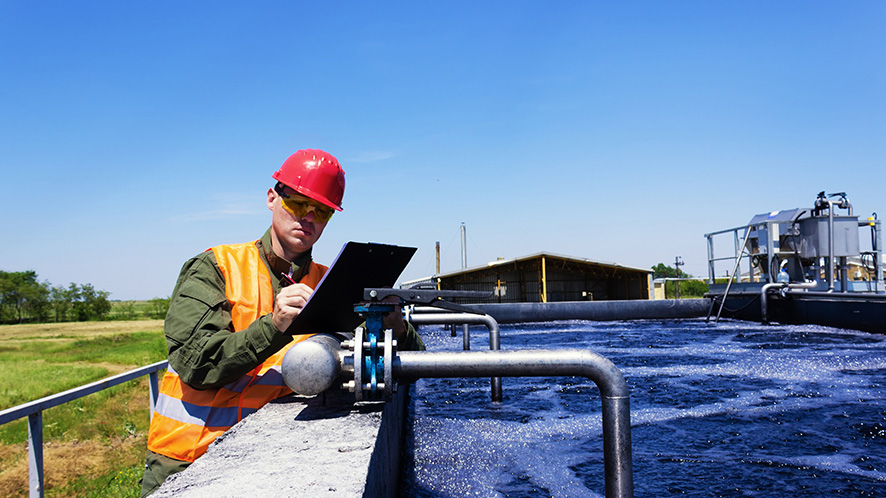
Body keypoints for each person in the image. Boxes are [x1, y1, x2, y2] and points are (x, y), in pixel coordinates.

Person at [140, 149, 424, 496]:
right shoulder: (215, 267)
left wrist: (396, 328)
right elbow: (194, 363)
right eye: (298, 204)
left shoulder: (330, 284)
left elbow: (410, 368)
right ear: (272, 197)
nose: (308, 217)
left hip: (277, 459)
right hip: (190, 461)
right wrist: (273, 325)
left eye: (321, 211)